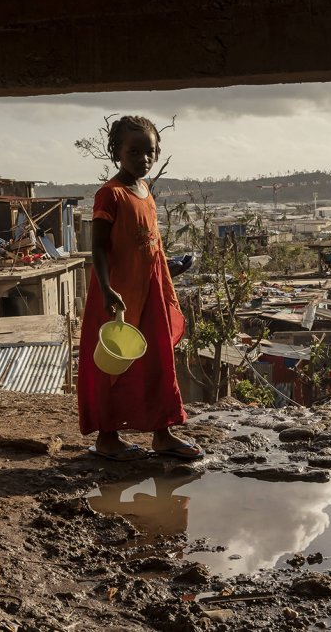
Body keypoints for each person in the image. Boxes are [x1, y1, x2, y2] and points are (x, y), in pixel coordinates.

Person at [77, 115, 204, 462]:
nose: (143, 159)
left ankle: (162, 433)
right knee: (113, 367)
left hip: (149, 291)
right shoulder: (110, 195)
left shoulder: (145, 191)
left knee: (158, 361)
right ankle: (107, 437)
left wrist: (167, 275)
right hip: (118, 296)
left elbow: (151, 244)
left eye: (149, 152)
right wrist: (105, 289)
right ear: (117, 151)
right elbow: (98, 249)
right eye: (134, 152)